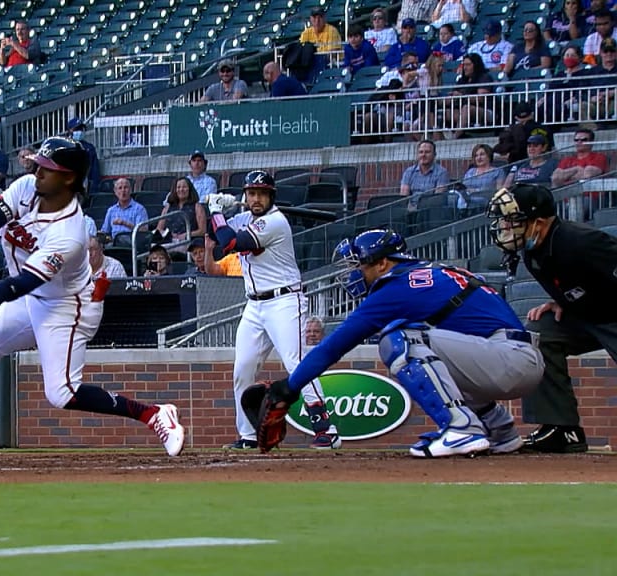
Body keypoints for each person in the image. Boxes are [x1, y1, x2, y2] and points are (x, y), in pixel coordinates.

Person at [0, 137, 185, 458]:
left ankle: (154, 414)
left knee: (62, 394)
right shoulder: (28, 188)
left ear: (68, 178)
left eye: (46, 169)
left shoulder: (70, 233)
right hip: (31, 298)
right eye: (38, 166)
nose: (37, 172)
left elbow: (21, 283)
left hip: (64, 307)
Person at [248, 228, 543, 457]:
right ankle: (499, 431)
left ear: (383, 263)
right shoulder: (425, 271)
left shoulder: (395, 287)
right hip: (510, 356)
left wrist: (288, 387)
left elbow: (333, 347)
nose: (354, 272)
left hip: (508, 359)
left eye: (359, 264)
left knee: (398, 339)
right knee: (430, 350)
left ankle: (461, 428)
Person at [208, 170, 339, 450]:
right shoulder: (246, 217)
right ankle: (248, 436)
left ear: (271, 197)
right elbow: (214, 234)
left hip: (284, 301)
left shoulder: (275, 222)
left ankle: (326, 428)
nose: (256, 199)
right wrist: (216, 209)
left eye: (262, 194)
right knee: (242, 369)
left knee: (297, 364)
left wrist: (217, 213)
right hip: (254, 305)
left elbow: (232, 243)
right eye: (252, 193)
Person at [487, 184, 609, 453]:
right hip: (587, 314)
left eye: (512, 220)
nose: (505, 226)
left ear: (539, 222)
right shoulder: (532, 250)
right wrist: (562, 300)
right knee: (540, 334)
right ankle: (561, 430)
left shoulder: (582, 240)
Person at [155, 177, 206, 245]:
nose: (181, 189)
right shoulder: (168, 207)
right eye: (178, 187)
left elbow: (202, 231)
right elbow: (159, 229)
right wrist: (169, 235)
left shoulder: (197, 206)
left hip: (187, 242)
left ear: (189, 189)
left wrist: (185, 235)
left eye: (184, 187)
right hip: (168, 241)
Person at [400, 140, 450, 208]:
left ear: (434, 155)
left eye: (427, 152)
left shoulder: (442, 172)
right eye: (421, 152)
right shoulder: (409, 172)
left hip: (430, 210)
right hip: (410, 210)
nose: (423, 155)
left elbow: (438, 198)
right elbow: (403, 197)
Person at [460, 143, 505, 210]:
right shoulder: (470, 171)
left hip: (487, 201)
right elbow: (463, 187)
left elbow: (499, 191)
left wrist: (476, 191)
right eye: (476, 156)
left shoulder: (497, 172)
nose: (479, 158)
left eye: (482, 154)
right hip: (467, 200)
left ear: (489, 156)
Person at [65, 117, 101, 195]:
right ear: (70, 130)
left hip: (84, 186)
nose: (80, 131)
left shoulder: (89, 148)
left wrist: (93, 191)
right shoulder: (63, 146)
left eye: (81, 129)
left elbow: (95, 172)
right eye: (77, 129)